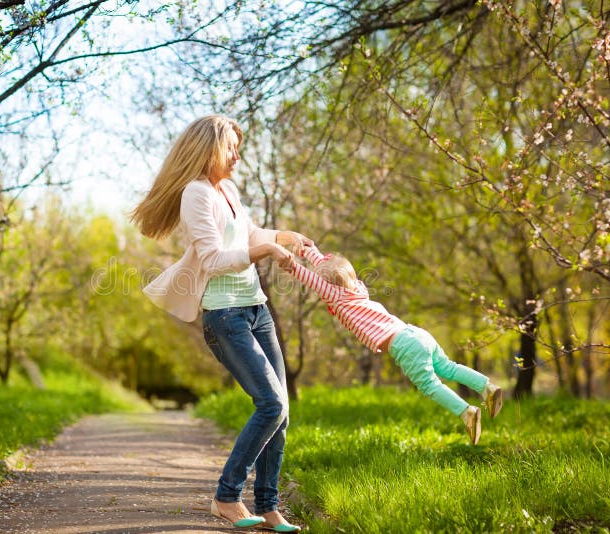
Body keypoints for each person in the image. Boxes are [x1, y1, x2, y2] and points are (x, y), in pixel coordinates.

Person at [131, 115, 307, 531]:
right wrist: (265, 252)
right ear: (209, 148)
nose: (237, 155)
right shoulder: (195, 194)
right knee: (272, 403)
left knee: (281, 414)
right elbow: (212, 259)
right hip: (225, 314)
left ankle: (268, 507)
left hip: (256, 309)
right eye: (231, 146)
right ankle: (226, 497)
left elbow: (246, 234)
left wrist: (284, 236)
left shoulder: (226, 188)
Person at [283, 244, 503, 445]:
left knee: (429, 385)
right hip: (415, 333)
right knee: (448, 367)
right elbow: (330, 268)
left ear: (328, 287)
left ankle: (466, 412)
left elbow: (311, 279)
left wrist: (291, 264)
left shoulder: (336, 297)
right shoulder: (358, 289)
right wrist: (308, 249)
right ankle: (487, 388)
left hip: (403, 345)